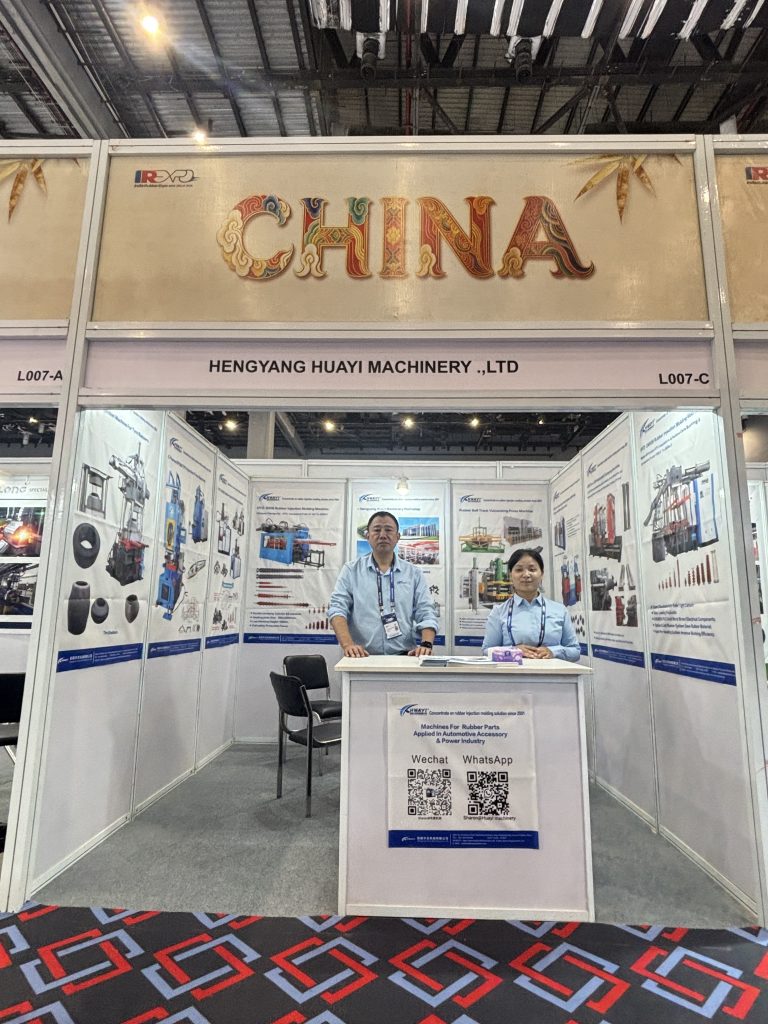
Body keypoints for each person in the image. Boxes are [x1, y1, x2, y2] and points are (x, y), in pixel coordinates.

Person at [329, 511, 438, 657]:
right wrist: (348, 645)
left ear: (398, 537)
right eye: (377, 530)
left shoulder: (413, 573)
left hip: (405, 657)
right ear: (367, 536)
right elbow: (337, 609)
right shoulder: (351, 571)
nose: (382, 535)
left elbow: (426, 611)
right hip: (362, 657)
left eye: (388, 530)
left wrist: (426, 644)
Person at [481, 548, 580, 661]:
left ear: (542, 574)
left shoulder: (559, 611)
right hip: (513, 672)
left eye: (532, 569)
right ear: (510, 575)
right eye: (519, 570)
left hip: (551, 672)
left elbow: (575, 651)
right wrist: (513, 651)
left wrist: (553, 652)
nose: (526, 574)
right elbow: (486, 651)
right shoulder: (499, 612)